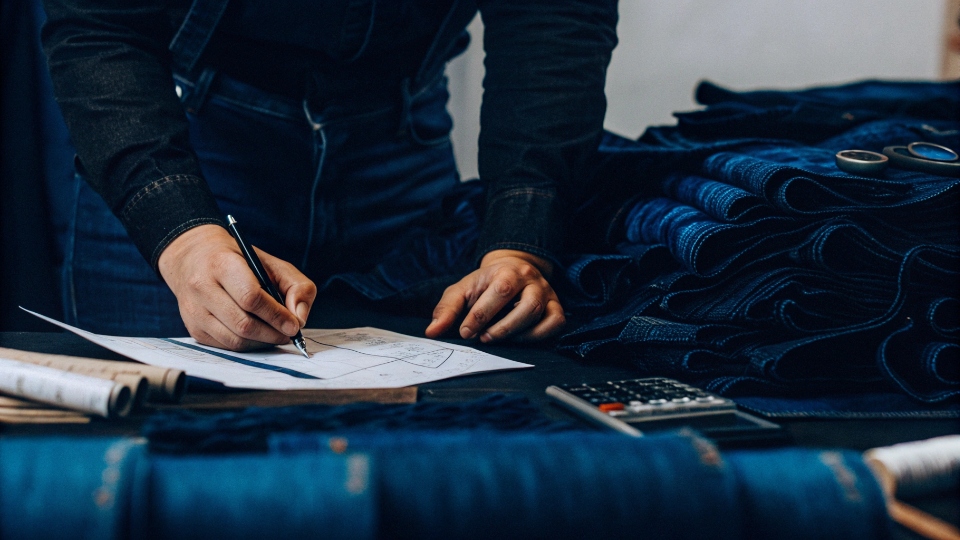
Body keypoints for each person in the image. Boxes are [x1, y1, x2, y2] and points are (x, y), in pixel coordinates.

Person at [41, 0, 619, 351]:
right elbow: (100, 26)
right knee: (157, 467)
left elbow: (556, 16)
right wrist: (181, 230)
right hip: (187, 141)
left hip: (401, 149)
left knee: (415, 464)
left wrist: (520, 239)